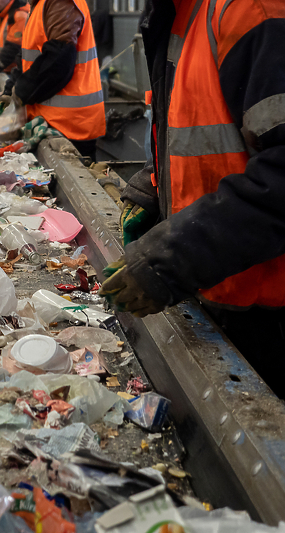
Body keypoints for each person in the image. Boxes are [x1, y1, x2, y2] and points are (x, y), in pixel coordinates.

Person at [98, 0, 285, 397]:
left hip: (269, 316)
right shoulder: (180, 13)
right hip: (219, 289)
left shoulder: (252, 12)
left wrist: (175, 257)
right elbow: (196, 134)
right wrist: (154, 187)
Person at [0, 0, 104, 159]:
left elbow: (59, 60)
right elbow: (26, 57)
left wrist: (20, 92)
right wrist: (9, 90)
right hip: (50, 118)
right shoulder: (39, 4)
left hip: (70, 123)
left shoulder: (60, 3)